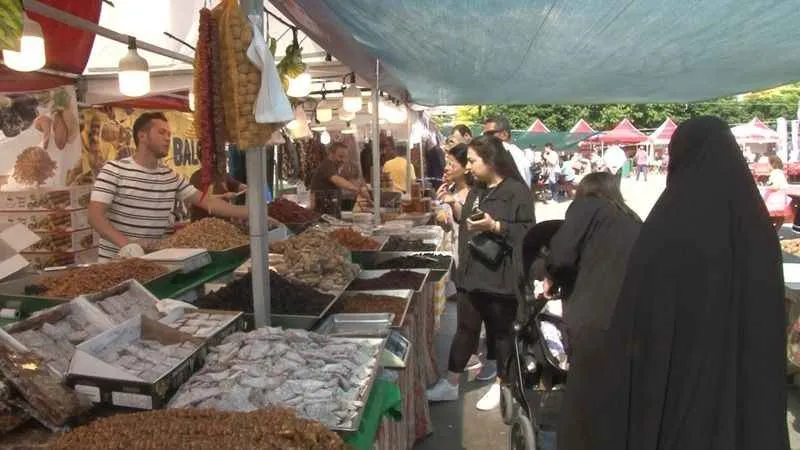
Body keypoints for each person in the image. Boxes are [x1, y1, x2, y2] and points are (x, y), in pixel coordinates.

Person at [588, 116, 789, 450]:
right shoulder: (757, 229)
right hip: (743, 392)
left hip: (678, 385)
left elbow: (638, 312)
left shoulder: (666, 223)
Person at [426, 135, 535, 411]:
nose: (469, 166)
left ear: (491, 161)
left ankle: (502, 385)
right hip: (471, 274)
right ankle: (450, 383)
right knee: (465, 330)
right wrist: (453, 202)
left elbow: (528, 232)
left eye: (473, 161)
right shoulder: (478, 188)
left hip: (499, 278)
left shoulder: (516, 192)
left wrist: (496, 226)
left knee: (501, 334)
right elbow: (467, 220)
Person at [542, 172, 642, 450]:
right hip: (631, 320)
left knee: (584, 398)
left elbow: (561, 256)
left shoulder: (586, 205)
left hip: (592, 319)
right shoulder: (631, 218)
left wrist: (550, 276)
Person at [89, 112, 250, 261]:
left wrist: (253, 213)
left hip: (152, 264)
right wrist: (127, 245)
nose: (167, 138)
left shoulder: (170, 176)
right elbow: (95, 217)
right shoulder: (114, 170)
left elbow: (208, 202)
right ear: (142, 136)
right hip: (114, 265)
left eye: (169, 134)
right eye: (162, 132)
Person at [434, 143, 489, 376]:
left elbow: (466, 222)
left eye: (451, 163)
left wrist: (451, 202)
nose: (446, 168)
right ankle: (472, 357)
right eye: (446, 162)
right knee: (467, 319)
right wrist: (441, 215)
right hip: (458, 258)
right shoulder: (451, 188)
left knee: (469, 320)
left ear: (466, 167)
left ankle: (463, 369)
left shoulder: (474, 194)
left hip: (473, 262)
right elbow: (451, 225)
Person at [310, 142, 370, 217]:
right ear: (331, 154)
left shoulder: (335, 167)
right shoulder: (327, 165)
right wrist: (358, 190)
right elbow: (337, 180)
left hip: (330, 211)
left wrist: (362, 186)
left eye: (345, 157)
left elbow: (350, 180)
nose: (343, 160)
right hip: (323, 213)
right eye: (340, 156)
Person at [483, 115, 532, 188]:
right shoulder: (497, 153)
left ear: (504, 134)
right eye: (485, 134)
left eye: (490, 134)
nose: (486, 138)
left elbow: (520, 187)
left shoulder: (513, 154)